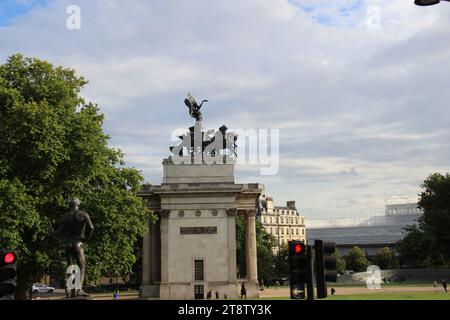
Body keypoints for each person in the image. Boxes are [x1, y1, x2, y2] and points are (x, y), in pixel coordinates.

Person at [53, 198, 94, 298]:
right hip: (78, 243)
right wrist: (85, 239)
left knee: (70, 267)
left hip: (68, 244)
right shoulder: (83, 214)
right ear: (78, 204)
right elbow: (91, 228)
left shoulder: (65, 217)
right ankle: (79, 289)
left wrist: (51, 232)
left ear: (69, 205)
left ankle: (72, 291)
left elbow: (58, 232)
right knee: (82, 266)